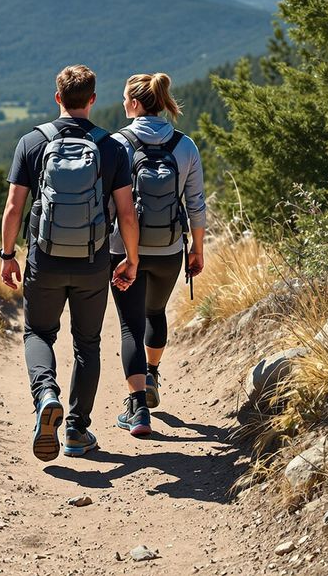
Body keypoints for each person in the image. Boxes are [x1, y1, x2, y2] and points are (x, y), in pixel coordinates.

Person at [0, 65, 141, 461]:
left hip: (44, 259)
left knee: (38, 334)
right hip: (93, 262)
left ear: (57, 97)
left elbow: (13, 208)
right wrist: (131, 259)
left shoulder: (31, 142)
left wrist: (8, 256)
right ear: (93, 99)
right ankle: (77, 430)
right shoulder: (112, 148)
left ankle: (46, 394)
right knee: (87, 344)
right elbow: (127, 214)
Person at [108, 72, 207, 437]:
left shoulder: (117, 143)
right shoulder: (185, 146)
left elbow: (107, 202)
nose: (122, 104)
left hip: (123, 249)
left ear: (134, 103)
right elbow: (196, 203)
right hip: (169, 248)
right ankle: (151, 374)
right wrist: (197, 248)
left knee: (130, 324)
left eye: (124, 99)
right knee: (154, 312)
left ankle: (137, 411)